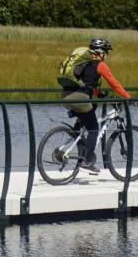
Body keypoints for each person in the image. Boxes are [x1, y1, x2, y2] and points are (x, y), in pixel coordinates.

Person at [56, 37, 131, 173]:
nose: (106, 56)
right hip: (79, 98)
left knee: (85, 119)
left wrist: (100, 95)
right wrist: (128, 97)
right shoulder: (100, 65)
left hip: (66, 96)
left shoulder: (85, 64)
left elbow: (88, 84)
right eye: (106, 53)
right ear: (101, 53)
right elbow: (113, 83)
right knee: (94, 129)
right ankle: (88, 161)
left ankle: (77, 143)